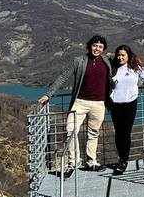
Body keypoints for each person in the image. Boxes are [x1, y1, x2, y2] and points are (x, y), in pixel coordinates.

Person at [39, 35, 112, 178]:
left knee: (94, 133)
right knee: (70, 130)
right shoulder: (79, 61)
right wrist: (48, 94)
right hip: (80, 102)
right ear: (90, 46)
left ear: (103, 49)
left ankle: (91, 162)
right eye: (95, 45)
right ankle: (74, 162)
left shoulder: (107, 61)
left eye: (100, 47)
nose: (97, 49)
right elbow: (62, 77)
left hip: (99, 103)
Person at [109, 44, 144, 175]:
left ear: (128, 56)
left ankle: (124, 160)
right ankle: (121, 158)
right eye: (118, 55)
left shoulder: (135, 67)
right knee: (118, 132)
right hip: (115, 103)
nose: (120, 57)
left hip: (130, 103)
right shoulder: (112, 67)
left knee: (126, 131)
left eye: (123, 55)